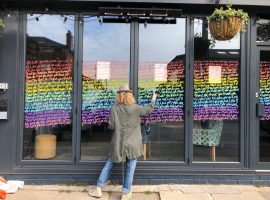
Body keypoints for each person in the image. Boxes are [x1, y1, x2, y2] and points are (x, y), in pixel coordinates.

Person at [89, 85, 157, 200]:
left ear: (119, 95)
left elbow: (111, 126)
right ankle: (125, 193)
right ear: (130, 95)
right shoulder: (136, 108)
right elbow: (149, 109)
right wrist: (153, 98)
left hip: (119, 142)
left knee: (109, 164)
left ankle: (99, 189)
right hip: (134, 143)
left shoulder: (115, 108)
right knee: (130, 168)